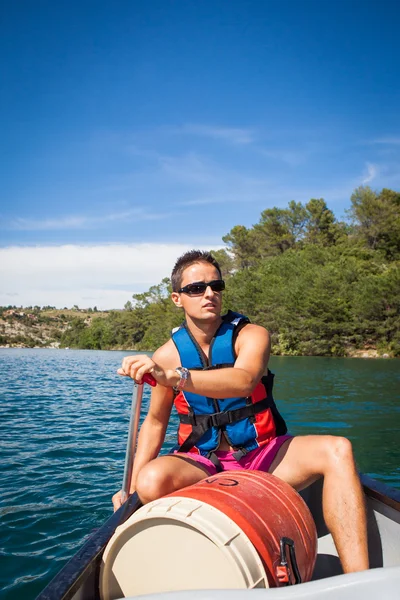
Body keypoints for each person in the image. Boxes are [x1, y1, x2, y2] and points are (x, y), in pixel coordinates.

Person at [112, 249, 369, 574]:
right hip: (205, 464)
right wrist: (131, 491)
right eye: (196, 288)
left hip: (264, 455)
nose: (209, 294)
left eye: (215, 286)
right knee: (150, 481)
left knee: (338, 449)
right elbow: (155, 422)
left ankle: (361, 581)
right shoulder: (165, 355)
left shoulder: (251, 335)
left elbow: (245, 381)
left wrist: (177, 377)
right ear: (177, 298)